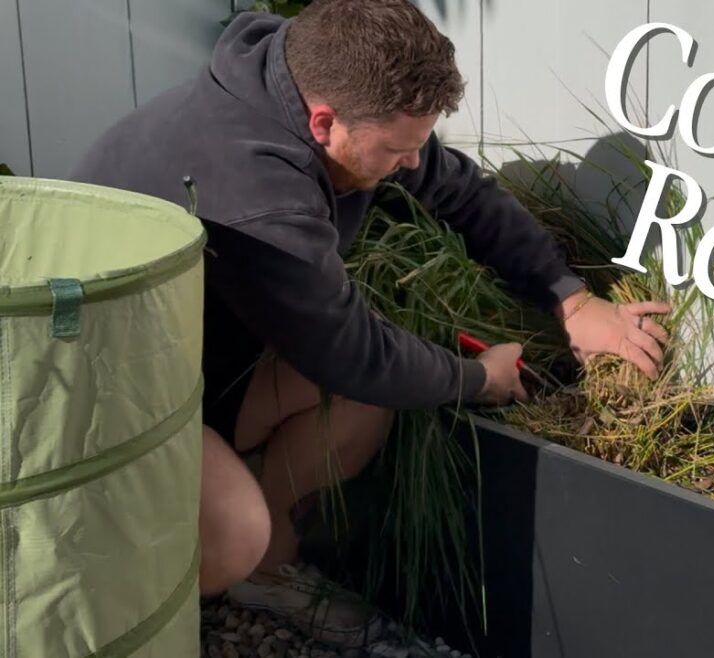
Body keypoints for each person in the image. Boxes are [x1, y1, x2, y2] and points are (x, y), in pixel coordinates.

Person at [69, 0, 670, 648]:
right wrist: (478, 378)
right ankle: (132, 599)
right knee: (231, 536)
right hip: (105, 398)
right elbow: (349, 352)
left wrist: (571, 301)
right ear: (324, 123)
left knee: (363, 404)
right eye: (397, 151)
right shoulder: (254, 186)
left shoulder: (318, 84)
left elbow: (461, 193)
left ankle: (264, 571)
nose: (413, 164)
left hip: (200, 352)